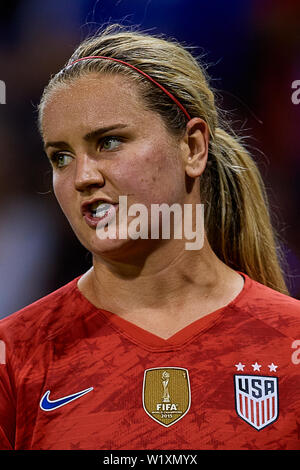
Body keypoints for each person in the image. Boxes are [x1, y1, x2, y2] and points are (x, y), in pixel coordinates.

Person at [0, 23, 299, 451]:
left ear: (193, 148)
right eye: (61, 157)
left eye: (109, 142)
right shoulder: (14, 357)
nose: (83, 177)